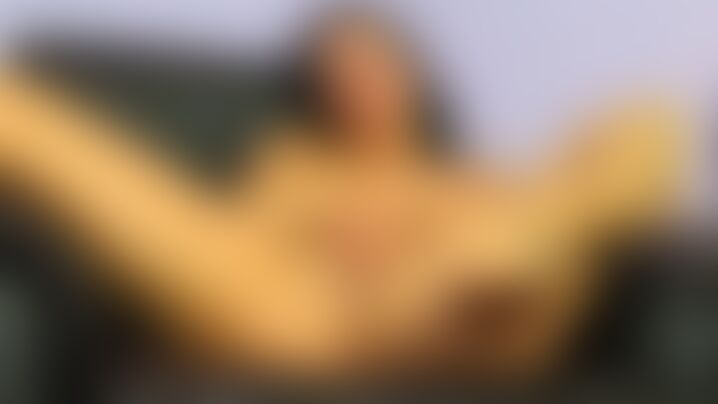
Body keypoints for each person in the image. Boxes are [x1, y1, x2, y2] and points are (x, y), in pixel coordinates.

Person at [0, 8, 683, 388]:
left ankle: (505, 258)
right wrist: (337, 240)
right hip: (307, 315)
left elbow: (617, 176)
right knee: (19, 115)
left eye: (373, 58)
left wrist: (510, 233)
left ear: (412, 72)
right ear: (318, 83)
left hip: (476, 311)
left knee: (651, 119)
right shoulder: (297, 164)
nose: (357, 77)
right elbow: (233, 249)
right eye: (338, 64)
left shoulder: (473, 175)